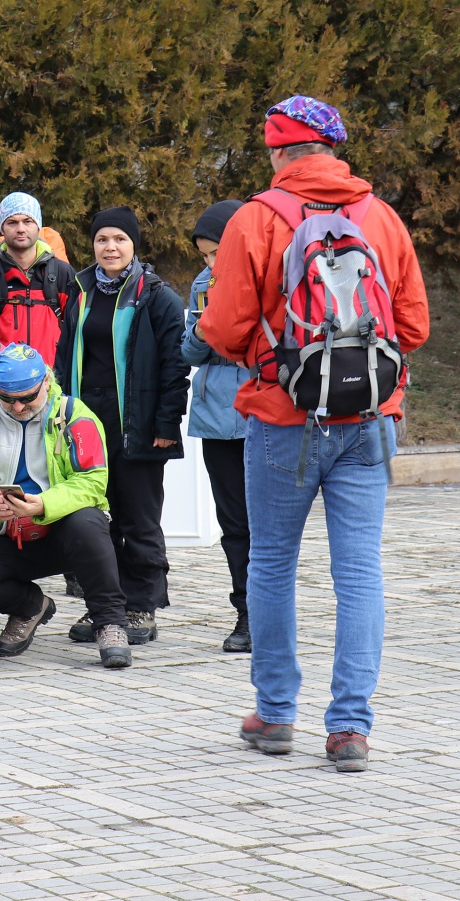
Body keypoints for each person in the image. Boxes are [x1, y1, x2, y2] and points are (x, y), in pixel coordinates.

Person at [199, 95, 430, 772]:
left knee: (271, 562)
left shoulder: (255, 219)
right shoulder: (380, 217)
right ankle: (350, 728)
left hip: (281, 418)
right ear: (334, 148)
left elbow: (223, 328)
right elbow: (412, 328)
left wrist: (269, 354)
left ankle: (275, 716)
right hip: (370, 420)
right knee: (359, 572)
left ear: (277, 151)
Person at [54, 206, 190, 646]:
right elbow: (62, 359)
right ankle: (105, 609)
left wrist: (168, 422)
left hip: (140, 426)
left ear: (134, 245)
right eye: (101, 240)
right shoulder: (81, 291)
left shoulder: (156, 296)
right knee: (96, 521)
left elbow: (175, 367)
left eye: (119, 240)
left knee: (138, 520)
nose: (109, 247)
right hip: (87, 428)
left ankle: (141, 607)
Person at [0, 345, 132, 668]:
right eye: (7, 398)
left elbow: (92, 483)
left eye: (27, 397)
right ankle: (30, 606)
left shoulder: (76, 415)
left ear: (46, 381)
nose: (18, 407)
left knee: (88, 522)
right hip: (8, 533)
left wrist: (43, 505)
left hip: (63, 529)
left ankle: (110, 623)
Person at [181, 200, 252, 654]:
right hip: (215, 418)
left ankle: (271, 612)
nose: (210, 263)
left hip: (262, 415)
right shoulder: (202, 285)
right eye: (204, 255)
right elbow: (189, 352)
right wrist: (208, 324)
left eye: (216, 252)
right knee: (233, 524)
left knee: (266, 523)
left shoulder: (270, 279)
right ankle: (245, 614)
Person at [0, 192, 76, 361]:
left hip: (52, 381)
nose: (20, 229)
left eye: (28, 221)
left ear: (38, 226)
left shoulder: (62, 273)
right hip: (2, 381)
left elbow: (77, 331)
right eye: (12, 222)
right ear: (2, 228)